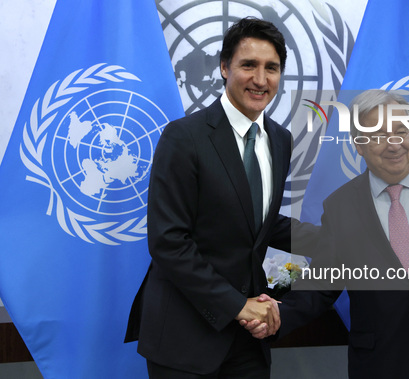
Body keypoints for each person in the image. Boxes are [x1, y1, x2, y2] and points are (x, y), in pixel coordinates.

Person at [244, 90, 409, 378]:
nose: (394, 144)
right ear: (358, 144)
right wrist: (276, 317)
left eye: (401, 131)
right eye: (379, 135)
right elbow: (321, 285)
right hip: (382, 363)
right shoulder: (340, 206)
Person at [125, 17, 297, 378]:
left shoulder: (280, 140)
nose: (261, 80)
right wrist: (238, 306)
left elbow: (256, 224)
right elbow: (169, 241)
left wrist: (331, 237)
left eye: (272, 68)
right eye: (248, 65)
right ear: (224, 67)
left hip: (249, 342)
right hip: (185, 340)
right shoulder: (183, 137)